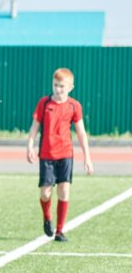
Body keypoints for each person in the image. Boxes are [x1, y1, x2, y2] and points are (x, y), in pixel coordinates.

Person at [26, 68, 93, 242]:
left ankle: (60, 231)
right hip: (47, 155)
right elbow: (34, 127)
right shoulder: (44, 103)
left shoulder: (74, 106)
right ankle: (47, 217)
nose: (58, 89)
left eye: (62, 86)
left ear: (70, 87)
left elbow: (81, 133)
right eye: (55, 85)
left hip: (65, 154)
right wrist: (30, 146)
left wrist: (87, 157)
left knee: (64, 190)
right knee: (46, 193)